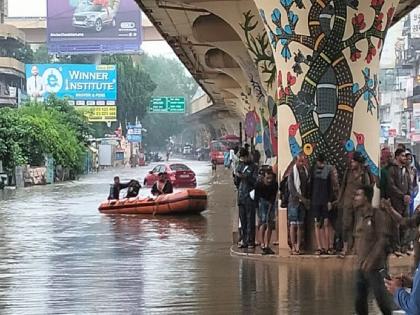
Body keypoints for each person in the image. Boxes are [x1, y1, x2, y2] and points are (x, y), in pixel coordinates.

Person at [353, 186, 394, 315]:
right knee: (359, 302)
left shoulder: (377, 215)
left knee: (382, 301)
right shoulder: (359, 216)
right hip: (361, 267)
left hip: (375, 268)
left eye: (358, 195)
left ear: (366, 197)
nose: (355, 198)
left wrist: (371, 260)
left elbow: (382, 240)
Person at [337, 151, 372, 256]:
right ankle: (345, 247)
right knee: (346, 225)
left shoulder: (364, 174)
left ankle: (356, 248)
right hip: (347, 202)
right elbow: (343, 186)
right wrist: (339, 200)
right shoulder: (348, 172)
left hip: (359, 204)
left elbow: (368, 188)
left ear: (358, 163)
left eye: (353, 162)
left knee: (358, 226)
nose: (351, 164)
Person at [387, 148, 412, 254]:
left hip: (405, 202)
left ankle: (404, 246)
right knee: (395, 224)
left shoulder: (406, 170)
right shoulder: (392, 169)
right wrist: (402, 196)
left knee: (405, 223)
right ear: (397, 157)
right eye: (402, 155)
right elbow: (391, 186)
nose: (404, 157)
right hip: (396, 200)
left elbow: (410, 184)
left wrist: (409, 195)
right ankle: (396, 247)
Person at [310, 154, 334, 255]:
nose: (321, 164)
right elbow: (311, 186)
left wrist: (329, 200)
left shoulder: (327, 171)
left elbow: (330, 186)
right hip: (316, 200)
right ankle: (320, 247)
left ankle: (327, 246)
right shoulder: (313, 172)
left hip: (322, 200)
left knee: (325, 224)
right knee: (318, 224)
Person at [236, 148, 258, 249]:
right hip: (241, 196)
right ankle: (244, 240)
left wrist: (245, 177)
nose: (243, 159)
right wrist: (236, 176)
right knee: (243, 219)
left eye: (245, 157)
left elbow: (255, 181)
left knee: (250, 219)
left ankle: (250, 241)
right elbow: (237, 183)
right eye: (242, 158)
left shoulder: (254, 167)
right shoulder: (240, 166)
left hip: (249, 196)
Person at [287, 154, 309, 255]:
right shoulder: (292, 172)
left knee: (300, 224)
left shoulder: (305, 171)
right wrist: (302, 198)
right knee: (293, 224)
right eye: (299, 161)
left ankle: (299, 246)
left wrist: (305, 200)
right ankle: (293, 246)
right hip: (293, 202)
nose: (301, 163)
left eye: (302, 161)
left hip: (302, 203)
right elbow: (292, 189)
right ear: (296, 161)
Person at [255, 170, 278, 255]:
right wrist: (257, 211)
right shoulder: (259, 185)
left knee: (270, 224)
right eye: (267, 178)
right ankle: (262, 244)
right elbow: (256, 199)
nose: (269, 180)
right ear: (263, 177)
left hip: (270, 202)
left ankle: (267, 244)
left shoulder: (274, 184)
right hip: (262, 201)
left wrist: (270, 210)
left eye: (271, 178)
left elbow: (273, 198)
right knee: (263, 223)